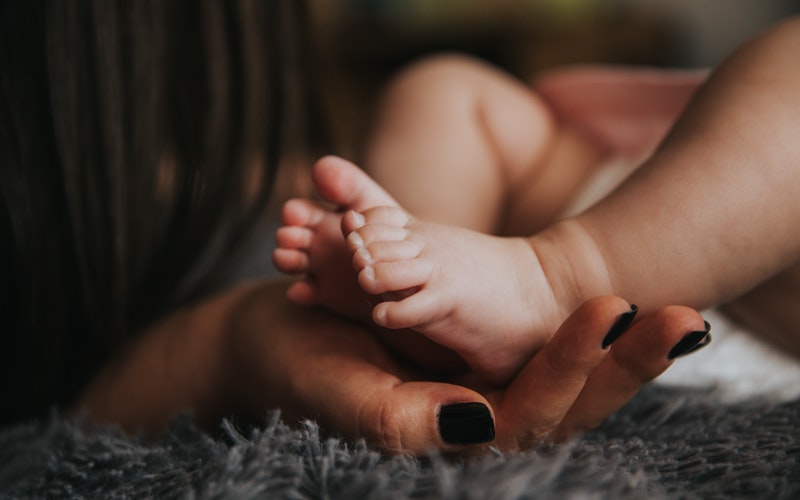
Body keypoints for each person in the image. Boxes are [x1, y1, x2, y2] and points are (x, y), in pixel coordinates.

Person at [1, 0, 706, 456]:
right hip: (592, 208)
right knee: (437, 90)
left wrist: (220, 342)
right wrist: (219, 347)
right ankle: (445, 296)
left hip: (676, 242)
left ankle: (445, 296)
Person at [274, 16, 800, 387]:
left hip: (762, 297)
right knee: (444, 88)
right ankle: (425, 288)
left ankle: (554, 280)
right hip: (617, 192)